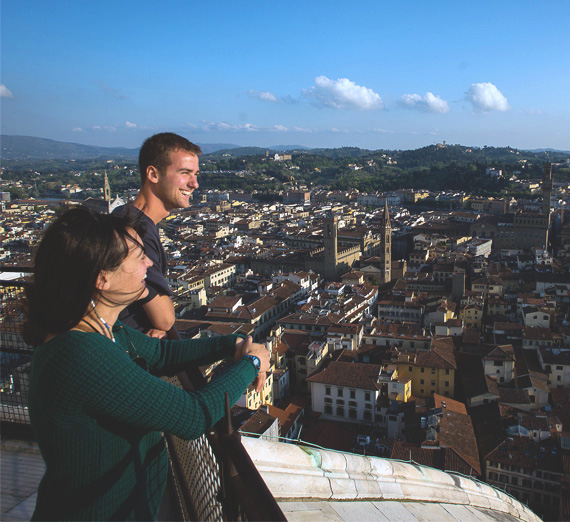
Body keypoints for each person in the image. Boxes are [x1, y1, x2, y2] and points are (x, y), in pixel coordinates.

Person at [25, 207, 269, 521]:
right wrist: (252, 362)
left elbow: (162, 355)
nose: (150, 263)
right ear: (102, 278)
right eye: (139, 257)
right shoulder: (81, 353)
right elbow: (194, 416)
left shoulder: (104, 331)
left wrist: (230, 345)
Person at [114, 132, 201, 337]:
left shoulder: (125, 216)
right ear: (153, 174)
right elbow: (164, 319)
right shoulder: (135, 231)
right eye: (185, 173)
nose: (194, 184)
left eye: (196, 174)